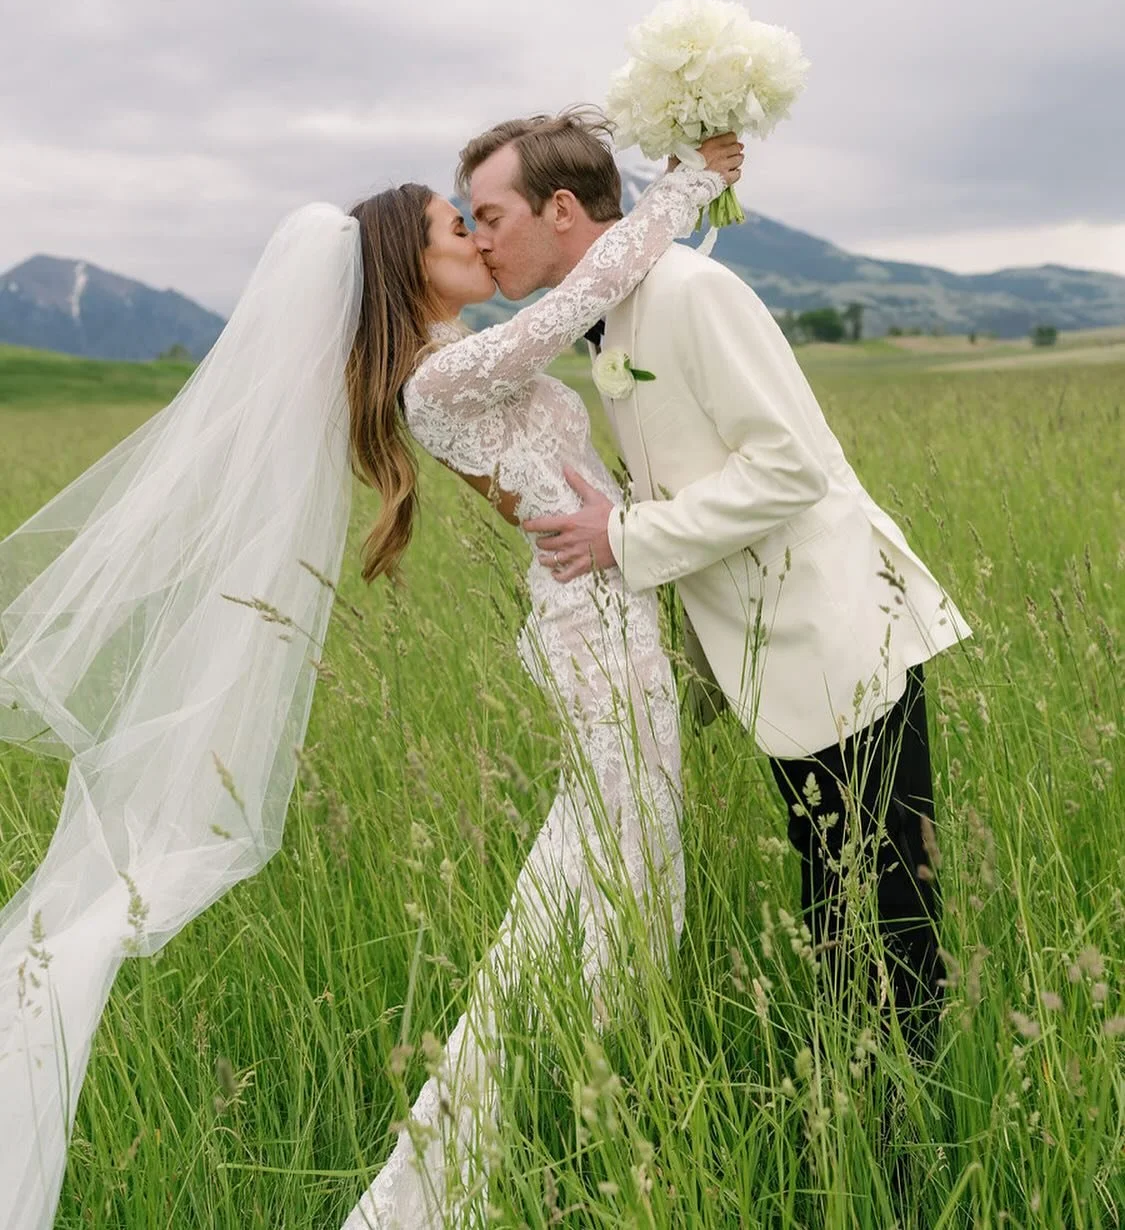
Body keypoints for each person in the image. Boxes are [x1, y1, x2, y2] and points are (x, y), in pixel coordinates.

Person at [0, 124, 741, 1230]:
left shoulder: (455, 357)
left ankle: (575, 1083)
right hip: (594, 626)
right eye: (456, 227)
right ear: (408, 264)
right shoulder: (436, 380)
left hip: (608, 605)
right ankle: (445, 1172)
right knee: (618, 861)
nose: (477, 239)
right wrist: (685, 187)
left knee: (617, 861)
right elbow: (575, 298)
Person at [461, 111, 972, 1063]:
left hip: (834, 636)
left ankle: (904, 1129)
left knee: (883, 909)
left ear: (560, 209)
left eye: (489, 216)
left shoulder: (691, 292)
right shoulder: (611, 319)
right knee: (834, 900)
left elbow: (789, 468)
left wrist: (621, 538)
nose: (479, 240)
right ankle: (861, 1106)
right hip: (768, 650)